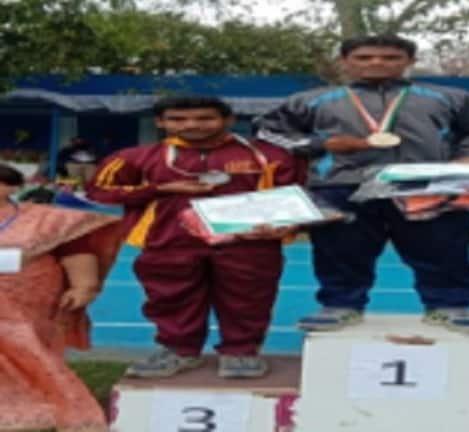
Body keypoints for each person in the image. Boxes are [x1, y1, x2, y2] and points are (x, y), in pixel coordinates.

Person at [255, 34, 469, 332]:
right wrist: (320, 144)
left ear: (410, 61)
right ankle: (341, 305)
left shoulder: (451, 97)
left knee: (442, 247)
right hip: (342, 184)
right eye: (364, 57)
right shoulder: (310, 100)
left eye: (390, 58)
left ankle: (450, 305)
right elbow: (268, 131)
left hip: (425, 185)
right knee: (340, 250)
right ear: (344, 61)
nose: (377, 63)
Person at [86, 96, 306, 379]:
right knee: (170, 297)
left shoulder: (268, 156)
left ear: (228, 120)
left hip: (248, 242)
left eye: (205, 118)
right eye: (177, 119)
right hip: (168, 240)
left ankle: (241, 351)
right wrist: (160, 189)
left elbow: (293, 196)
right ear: (160, 122)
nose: (192, 125)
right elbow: (99, 191)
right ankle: (179, 350)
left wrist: (288, 224)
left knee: (249, 298)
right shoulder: (135, 157)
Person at [0, 164, 123, 432]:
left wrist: (83, 286)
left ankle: (44, 404)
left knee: (29, 353)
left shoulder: (47, 219)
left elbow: (75, 249)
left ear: (10, 187)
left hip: (29, 301)